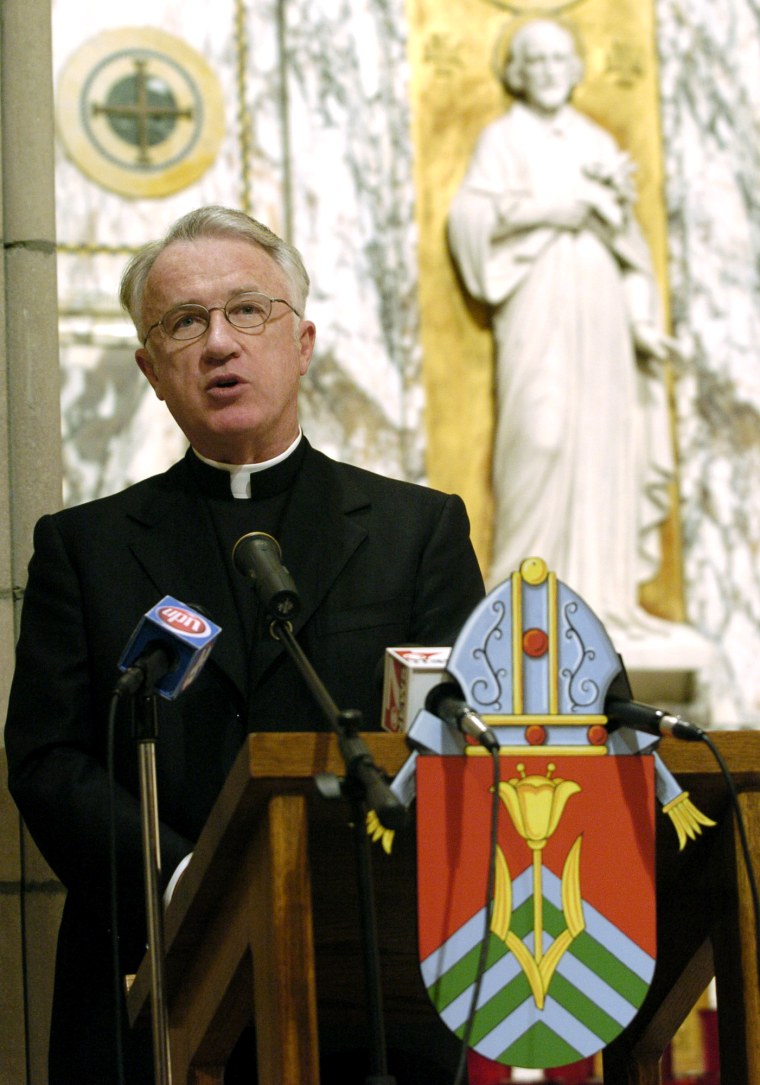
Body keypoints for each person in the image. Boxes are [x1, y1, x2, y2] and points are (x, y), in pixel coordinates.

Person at [5, 206, 485, 1084]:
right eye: (185, 322)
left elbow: (456, 744)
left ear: (301, 342)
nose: (219, 343)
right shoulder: (86, 546)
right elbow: (46, 758)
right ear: (152, 370)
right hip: (147, 978)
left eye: (247, 311)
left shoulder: (416, 532)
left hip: (367, 986)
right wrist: (192, 876)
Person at [448, 17, 679, 637]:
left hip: (600, 306)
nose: (549, 71)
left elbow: (630, 247)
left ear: (576, 69)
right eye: (535, 61)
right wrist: (556, 209)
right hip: (538, 297)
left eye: (559, 59)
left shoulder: (597, 142)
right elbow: (471, 216)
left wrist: (642, 325)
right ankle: (519, 596)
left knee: (601, 440)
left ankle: (601, 601)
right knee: (542, 435)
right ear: (517, 73)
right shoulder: (503, 138)